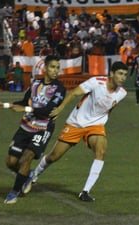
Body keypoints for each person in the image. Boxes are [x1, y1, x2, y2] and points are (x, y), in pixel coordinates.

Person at [24, 61, 129, 202]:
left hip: (95, 125)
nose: (123, 77)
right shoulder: (96, 82)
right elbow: (74, 93)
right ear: (111, 74)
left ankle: (85, 191)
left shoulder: (122, 93)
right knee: (54, 156)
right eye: (120, 74)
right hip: (76, 123)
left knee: (101, 151)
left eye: (125, 75)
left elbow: (109, 108)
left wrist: (101, 122)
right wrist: (60, 109)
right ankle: (35, 174)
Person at [0, 55, 66, 204]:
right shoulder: (35, 83)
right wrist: (5, 105)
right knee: (11, 162)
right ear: (45, 68)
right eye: (52, 67)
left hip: (43, 128)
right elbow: (23, 102)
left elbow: (48, 110)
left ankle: (14, 192)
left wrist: (25, 108)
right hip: (26, 125)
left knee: (26, 158)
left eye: (57, 68)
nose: (55, 70)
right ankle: (27, 176)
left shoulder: (59, 89)